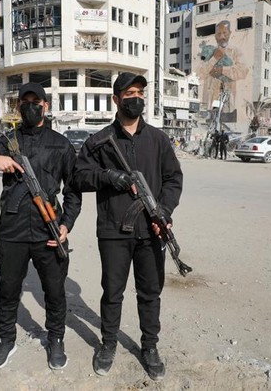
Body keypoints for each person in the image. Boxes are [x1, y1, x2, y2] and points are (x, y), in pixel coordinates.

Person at [72, 72, 183, 381]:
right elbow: (79, 177)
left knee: (150, 292)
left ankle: (149, 347)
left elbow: (174, 179)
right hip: (112, 230)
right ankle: (108, 344)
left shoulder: (158, 139)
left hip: (151, 231)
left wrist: (165, 211)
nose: (136, 98)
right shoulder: (98, 141)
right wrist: (112, 177)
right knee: (113, 292)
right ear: (116, 99)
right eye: (130, 93)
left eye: (140, 93)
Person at [0, 82, 81, 370]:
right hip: (12, 232)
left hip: (49, 230)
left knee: (55, 291)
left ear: (45, 105)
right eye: (26, 101)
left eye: (37, 101)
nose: (31, 105)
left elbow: (74, 190)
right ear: (18, 106)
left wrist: (66, 224)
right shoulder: (5, 142)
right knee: (8, 290)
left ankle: (55, 340)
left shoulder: (61, 144)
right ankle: (6, 341)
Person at [197, 20, 249, 118]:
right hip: (210, 104)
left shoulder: (235, 51)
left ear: (230, 33)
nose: (222, 37)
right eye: (219, 34)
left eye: (224, 33)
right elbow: (200, 73)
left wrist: (222, 70)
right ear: (215, 36)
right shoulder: (209, 51)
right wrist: (214, 58)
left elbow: (243, 70)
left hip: (228, 103)